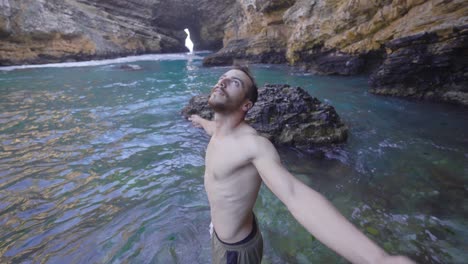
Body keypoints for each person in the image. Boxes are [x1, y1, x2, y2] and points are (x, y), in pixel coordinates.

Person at [188, 66, 415, 264]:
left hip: (234, 250)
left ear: (246, 105)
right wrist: (200, 121)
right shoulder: (219, 129)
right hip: (221, 231)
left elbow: (295, 195)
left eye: (234, 82)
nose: (223, 81)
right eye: (223, 77)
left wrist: (378, 259)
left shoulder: (253, 146)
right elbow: (213, 129)